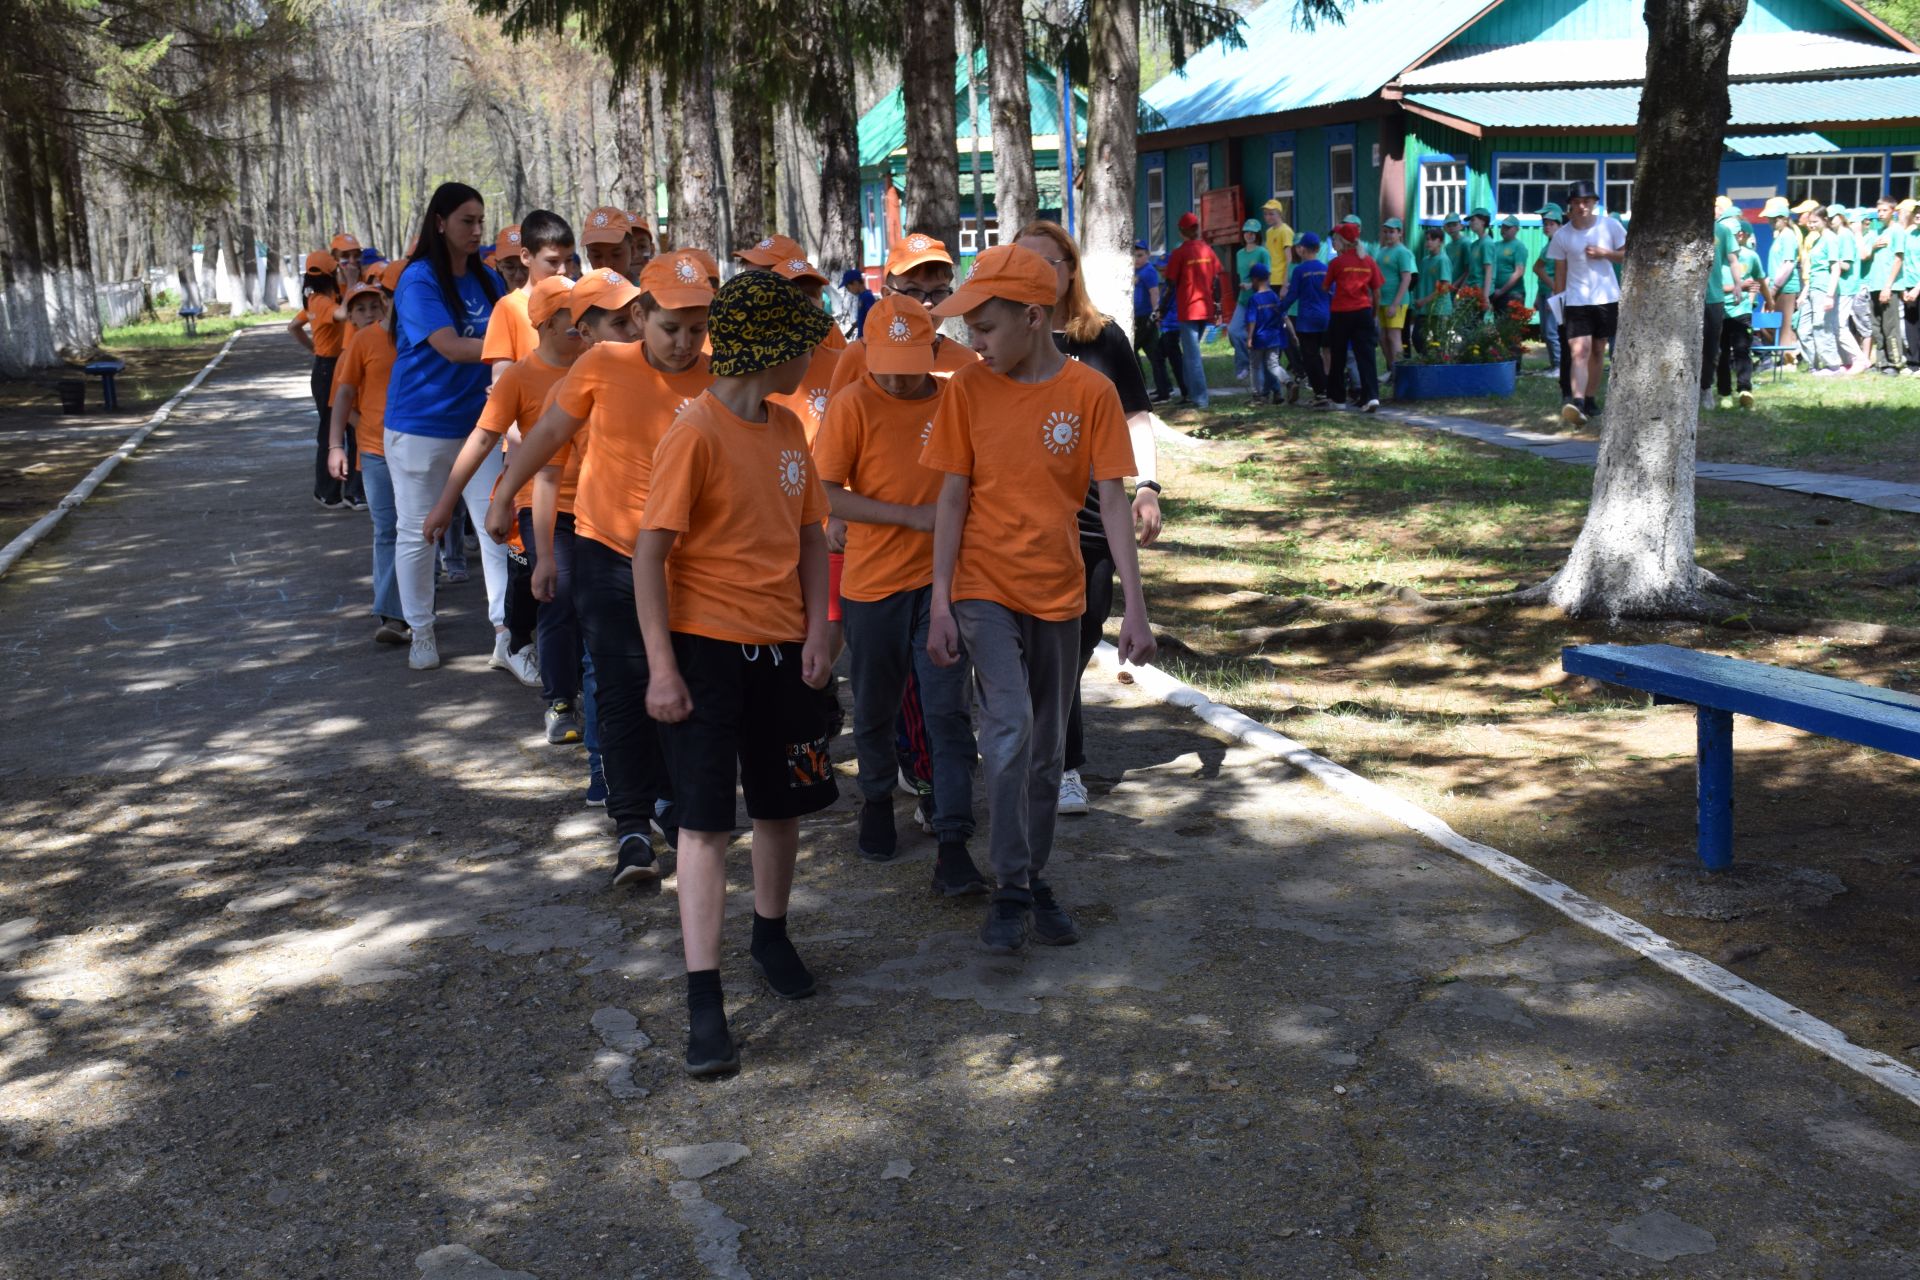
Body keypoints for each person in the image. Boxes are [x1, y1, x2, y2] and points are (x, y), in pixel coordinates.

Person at [921, 244, 1156, 955]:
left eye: (984, 329)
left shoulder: (1090, 394)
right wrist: (938, 600)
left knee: (1049, 753)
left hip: (1060, 592)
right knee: (1011, 729)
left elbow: (1111, 501)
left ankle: (1027, 878)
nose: (972, 343)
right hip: (981, 588)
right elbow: (951, 497)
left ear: (1031, 317)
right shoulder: (966, 389)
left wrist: (1135, 608)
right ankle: (1014, 883)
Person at [633, 270, 839, 1077]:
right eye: (803, 350)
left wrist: (820, 629)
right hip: (704, 654)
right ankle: (703, 996)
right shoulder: (697, 432)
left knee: (783, 807)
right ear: (771, 351)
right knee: (706, 824)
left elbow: (814, 535)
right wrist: (661, 668)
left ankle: (771, 931)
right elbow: (651, 555)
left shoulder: (790, 431)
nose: (811, 365)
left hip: (783, 651)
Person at [489, 256, 713, 884]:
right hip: (608, 548)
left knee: (685, 685)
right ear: (641, 316)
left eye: (696, 329)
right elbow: (551, 432)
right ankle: (633, 827)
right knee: (621, 689)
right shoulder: (603, 366)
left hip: (690, 560)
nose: (684, 343)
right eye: (671, 328)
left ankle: (673, 801)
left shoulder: (718, 373)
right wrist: (507, 493)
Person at [813, 293, 986, 891]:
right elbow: (825, 491)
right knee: (877, 705)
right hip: (872, 585)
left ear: (932, 351)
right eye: (883, 358)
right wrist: (906, 517)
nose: (895, 373)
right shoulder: (853, 403)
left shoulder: (956, 399)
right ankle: (878, 800)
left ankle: (954, 835)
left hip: (944, 585)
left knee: (946, 709)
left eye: (909, 360)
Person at [1013, 219, 1163, 819]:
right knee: (1024, 649)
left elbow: (1136, 416)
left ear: (1070, 269)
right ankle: (1050, 757)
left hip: (1094, 520)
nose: (1037, 273)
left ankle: (1057, 760)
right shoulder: (1004, 335)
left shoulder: (1103, 338)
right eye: (1024, 261)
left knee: (1074, 647)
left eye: (1049, 262)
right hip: (1022, 520)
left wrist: (1147, 487)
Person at [420, 279, 584, 697]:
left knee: (589, 600)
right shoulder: (519, 377)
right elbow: (481, 439)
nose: (584, 326)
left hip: (596, 504)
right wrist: (445, 504)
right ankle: (558, 697)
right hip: (539, 501)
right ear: (546, 325)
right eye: (575, 319)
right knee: (556, 594)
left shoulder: (596, 366)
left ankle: (580, 679)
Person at [384, 181, 504, 671]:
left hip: (481, 427)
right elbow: (452, 346)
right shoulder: (419, 280)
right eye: (466, 221)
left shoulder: (489, 280)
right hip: (420, 428)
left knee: (497, 529)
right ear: (440, 222)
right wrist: (521, 352)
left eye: (480, 221)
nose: (477, 230)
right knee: (418, 532)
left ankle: (507, 636)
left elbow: (514, 328)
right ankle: (422, 629)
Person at [327, 282, 403, 643]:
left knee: (418, 530)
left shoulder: (417, 336)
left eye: (375, 305)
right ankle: (392, 615)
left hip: (419, 448)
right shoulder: (360, 344)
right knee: (387, 528)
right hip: (374, 452)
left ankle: (418, 606)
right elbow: (343, 398)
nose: (371, 312)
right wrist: (336, 445)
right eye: (361, 308)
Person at [827, 233, 982, 393]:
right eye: (913, 291)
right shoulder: (857, 358)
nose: (928, 303)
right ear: (887, 295)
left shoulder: (968, 363)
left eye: (939, 291)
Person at [1548, 179, 1626, 426]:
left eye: (1586, 201)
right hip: (1576, 301)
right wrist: (1558, 307)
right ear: (1570, 206)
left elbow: (1628, 255)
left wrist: (1606, 254)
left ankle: (1591, 399)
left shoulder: (1610, 226)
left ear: (1594, 203)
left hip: (1607, 298)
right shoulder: (1562, 235)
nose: (1582, 206)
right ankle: (1577, 402)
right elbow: (1559, 274)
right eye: (1577, 202)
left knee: (1597, 350)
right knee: (1578, 351)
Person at [480, 210, 576, 375]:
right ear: (526, 257)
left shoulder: (581, 301)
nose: (562, 270)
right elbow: (502, 377)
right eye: (552, 261)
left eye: (568, 260)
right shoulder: (507, 308)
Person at [289, 251, 350, 509]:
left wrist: (313, 347)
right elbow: (345, 314)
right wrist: (353, 280)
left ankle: (332, 488)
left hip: (326, 366)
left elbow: (293, 326)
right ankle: (326, 491)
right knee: (330, 431)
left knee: (335, 427)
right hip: (328, 369)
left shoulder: (315, 300)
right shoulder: (325, 304)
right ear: (330, 275)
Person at [1163, 211, 1222, 408]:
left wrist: (1161, 310)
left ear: (1182, 232)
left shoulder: (1179, 253)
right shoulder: (1208, 251)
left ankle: (1200, 399)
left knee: (1192, 356)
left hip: (1188, 310)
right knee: (1190, 354)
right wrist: (1218, 307)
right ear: (1197, 229)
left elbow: (1170, 284)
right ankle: (1190, 394)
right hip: (1205, 309)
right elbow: (1217, 280)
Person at [1324, 224, 1382, 412]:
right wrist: (1373, 313)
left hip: (1341, 313)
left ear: (1343, 242)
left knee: (1338, 356)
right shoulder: (1369, 261)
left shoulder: (1336, 263)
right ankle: (1371, 397)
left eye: (1335, 239)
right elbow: (1377, 291)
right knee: (1366, 357)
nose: (1333, 242)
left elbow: (1325, 288)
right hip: (1364, 312)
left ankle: (1338, 399)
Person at [1700, 197, 1747, 411]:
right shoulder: (1683, 230)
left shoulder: (1722, 231)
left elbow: (1734, 259)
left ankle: (1706, 388)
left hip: (1713, 298)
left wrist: (1738, 284)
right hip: (1686, 301)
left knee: (1710, 347)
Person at [1274, 232, 1331, 407]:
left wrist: (1279, 309)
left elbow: (1292, 295)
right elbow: (1333, 292)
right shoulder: (1326, 268)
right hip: (1326, 318)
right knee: (1327, 355)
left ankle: (1320, 393)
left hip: (1307, 321)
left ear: (1303, 249)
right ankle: (1331, 389)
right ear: (1318, 249)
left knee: (1310, 357)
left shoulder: (1299, 270)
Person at [1712, 224, 1760, 408]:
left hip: (1742, 311)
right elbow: (1713, 288)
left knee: (1742, 350)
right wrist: (1736, 287)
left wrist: (1753, 299)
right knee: (1722, 353)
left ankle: (1744, 389)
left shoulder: (1750, 256)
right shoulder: (1716, 260)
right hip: (1720, 310)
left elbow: (1757, 280)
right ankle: (1724, 393)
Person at [1862, 197, 1907, 375]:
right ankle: (1881, 362)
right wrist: (1872, 246)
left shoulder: (1897, 231)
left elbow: (1899, 259)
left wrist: (1888, 286)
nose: (1880, 214)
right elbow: (1864, 256)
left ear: (1892, 212)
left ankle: (1895, 363)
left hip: (1888, 286)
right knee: (1876, 326)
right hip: (1874, 284)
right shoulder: (1875, 231)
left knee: (1890, 326)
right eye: (1878, 210)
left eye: (1884, 210)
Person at [1760, 196, 1802, 371]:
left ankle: (1789, 360)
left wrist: (1775, 288)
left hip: (1786, 287)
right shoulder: (1780, 236)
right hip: (1776, 287)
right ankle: (1784, 355)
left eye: (1775, 218)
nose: (1771, 221)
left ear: (1784, 219)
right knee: (1768, 322)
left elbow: (1788, 265)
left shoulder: (1789, 236)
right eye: (1770, 218)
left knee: (1784, 325)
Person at [1244, 263, 1293, 403]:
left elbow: (1252, 320)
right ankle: (1288, 382)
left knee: (1255, 366)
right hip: (1274, 338)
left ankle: (1257, 395)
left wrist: (1249, 337)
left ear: (1255, 279)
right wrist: (1293, 335)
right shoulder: (1274, 297)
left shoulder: (1254, 299)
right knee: (1273, 365)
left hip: (1258, 338)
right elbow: (1284, 316)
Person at [1228, 218, 1269, 383]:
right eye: (1246, 232)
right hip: (1243, 300)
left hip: (1258, 301)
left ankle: (1263, 376)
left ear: (1257, 235)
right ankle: (1244, 365)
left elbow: (1267, 277)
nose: (1249, 235)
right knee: (1233, 331)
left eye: (1252, 232)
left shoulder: (1262, 252)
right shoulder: (1239, 254)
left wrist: (1251, 285)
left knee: (1258, 337)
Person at [1374, 217, 1416, 374]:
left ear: (1400, 233)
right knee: (1383, 337)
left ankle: (1401, 373)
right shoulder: (1381, 251)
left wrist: (1395, 304)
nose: (1388, 235)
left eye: (1392, 232)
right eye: (1386, 232)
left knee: (1393, 336)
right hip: (1382, 300)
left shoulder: (1403, 252)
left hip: (1396, 301)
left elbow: (1407, 278)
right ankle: (1392, 369)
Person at [1131, 241, 1171, 401]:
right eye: (1134, 255)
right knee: (1154, 353)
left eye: (1140, 255)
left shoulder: (1148, 271)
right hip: (1138, 316)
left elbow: (1154, 292)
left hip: (1146, 316)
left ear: (1147, 254)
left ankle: (1141, 386)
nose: (1137, 258)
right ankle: (1165, 387)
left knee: (1131, 350)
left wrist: (1156, 313)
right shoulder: (1134, 270)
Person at [1534, 203, 1565, 382]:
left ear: (1559, 225)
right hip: (1546, 293)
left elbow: (1542, 270)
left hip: (1555, 293)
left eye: (1550, 223)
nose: (1546, 226)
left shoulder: (1559, 244)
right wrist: (1539, 296)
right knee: (1546, 332)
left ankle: (1560, 366)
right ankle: (1555, 364)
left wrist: (1555, 291)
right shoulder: (1549, 245)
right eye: (1544, 223)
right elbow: (1539, 272)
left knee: (1553, 331)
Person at [1413, 227, 1453, 359]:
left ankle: (1441, 367)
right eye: (1427, 239)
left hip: (1439, 309)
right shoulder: (1425, 260)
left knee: (1440, 342)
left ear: (1440, 241)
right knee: (1417, 338)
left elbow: (1445, 287)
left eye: (1432, 239)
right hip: (1424, 309)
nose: (1428, 242)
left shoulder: (1443, 260)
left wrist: (1424, 300)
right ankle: (1428, 362)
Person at [581, 205, 633, 278]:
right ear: (588, 256)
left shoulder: (648, 287)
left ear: (632, 250)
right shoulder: (581, 289)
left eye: (616, 255)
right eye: (597, 256)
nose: (607, 265)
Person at [1899, 198, 1920, 375]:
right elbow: (1904, 262)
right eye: (1917, 211)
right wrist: (1905, 288)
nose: (1918, 215)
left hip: (1918, 287)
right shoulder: (1910, 235)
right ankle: (1913, 363)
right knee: (1911, 324)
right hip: (1909, 285)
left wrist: (1917, 288)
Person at [1465, 207, 1495, 311]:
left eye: (1473, 220)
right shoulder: (1474, 245)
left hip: (1481, 293)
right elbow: (1470, 271)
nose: (1470, 223)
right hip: (1472, 291)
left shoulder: (1487, 243)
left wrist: (1485, 297)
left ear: (1483, 221)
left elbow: (1488, 270)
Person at [839, 268, 877, 339]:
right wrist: (856, 324)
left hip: (867, 339)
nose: (848, 290)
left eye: (848, 287)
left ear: (856, 283)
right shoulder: (861, 296)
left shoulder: (867, 297)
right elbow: (865, 316)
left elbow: (872, 318)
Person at [1261, 197, 1295, 272]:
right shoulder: (1268, 232)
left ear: (1280, 214)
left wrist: (1286, 279)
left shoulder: (1285, 231)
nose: (1267, 217)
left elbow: (1289, 258)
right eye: (1265, 214)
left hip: (1281, 278)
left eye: (1271, 214)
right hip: (1270, 277)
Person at [493, 227, 529, 292]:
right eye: (510, 267)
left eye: (525, 266)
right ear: (498, 265)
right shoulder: (489, 296)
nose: (519, 276)